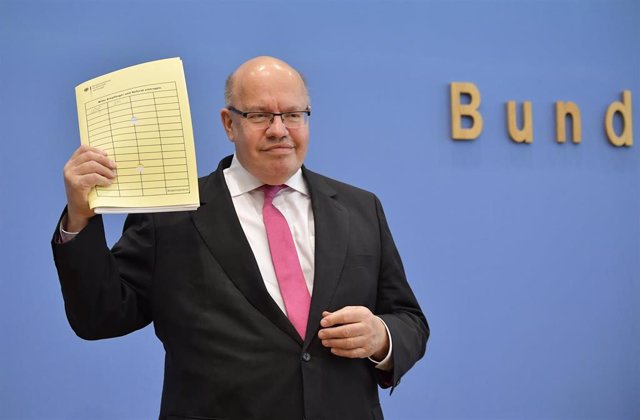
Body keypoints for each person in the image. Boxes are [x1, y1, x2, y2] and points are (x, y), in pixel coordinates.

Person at [52, 56, 429, 420]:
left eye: (293, 115)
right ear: (229, 124)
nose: (279, 130)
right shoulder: (168, 214)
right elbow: (99, 317)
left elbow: (409, 319)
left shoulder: (360, 208)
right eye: (260, 115)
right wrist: (80, 217)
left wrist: (381, 336)